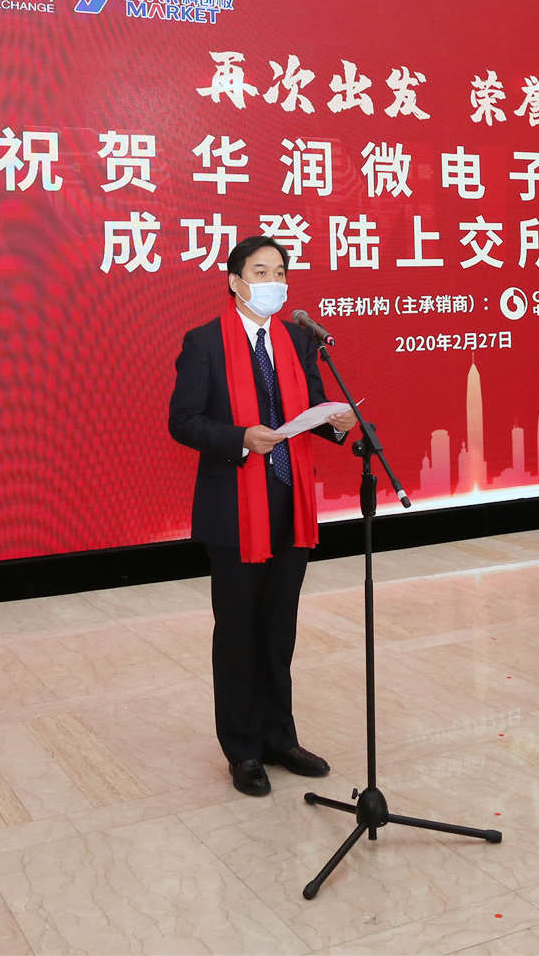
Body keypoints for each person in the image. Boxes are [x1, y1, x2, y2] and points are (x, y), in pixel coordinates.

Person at [168, 233, 357, 796]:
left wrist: (336, 423)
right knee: (237, 632)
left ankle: (280, 738)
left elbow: (309, 409)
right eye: (261, 272)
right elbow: (183, 421)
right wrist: (239, 438)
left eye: (280, 272)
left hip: (288, 503)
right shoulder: (204, 342)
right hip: (234, 509)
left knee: (279, 629)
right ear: (235, 281)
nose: (273, 282)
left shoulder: (298, 340)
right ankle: (243, 749)